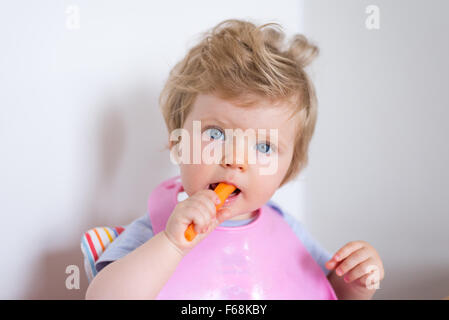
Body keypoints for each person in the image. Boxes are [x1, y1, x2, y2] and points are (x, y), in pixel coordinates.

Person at [84, 19, 384, 300]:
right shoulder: (160, 229)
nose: (236, 160)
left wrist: (354, 283)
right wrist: (172, 245)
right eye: (215, 134)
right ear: (178, 144)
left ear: (288, 170)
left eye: (264, 147)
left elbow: (321, 291)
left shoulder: (288, 231)